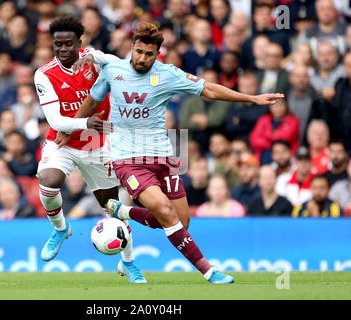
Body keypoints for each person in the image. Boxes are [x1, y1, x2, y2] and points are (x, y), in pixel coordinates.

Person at [68, 22, 283, 284]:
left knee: (180, 222)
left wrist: (252, 98)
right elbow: (92, 99)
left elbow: (210, 90)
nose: (142, 58)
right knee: (165, 213)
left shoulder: (168, 74)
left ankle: (122, 211)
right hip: (127, 160)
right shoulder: (113, 70)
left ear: (157, 53)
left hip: (163, 158)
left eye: (149, 54)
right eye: (138, 51)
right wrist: (70, 128)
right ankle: (208, 271)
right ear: (131, 48)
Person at [33, 15, 147, 283]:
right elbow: (55, 121)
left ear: (79, 43)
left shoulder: (94, 61)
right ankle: (61, 229)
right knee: (48, 181)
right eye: (57, 44)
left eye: (68, 44)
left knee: (113, 207)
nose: (62, 50)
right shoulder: (44, 74)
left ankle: (128, 263)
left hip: (98, 146)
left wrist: (98, 56)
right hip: (63, 143)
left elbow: (122, 67)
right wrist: (87, 121)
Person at [249, 98, 300, 165]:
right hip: (263, 158)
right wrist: (272, 144)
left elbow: (285, 137)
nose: (277, 108)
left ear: (286, 106)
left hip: (286, 160)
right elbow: (254, 140)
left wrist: (266, 136)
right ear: (269, 106)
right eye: (274, 105)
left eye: (280, 104)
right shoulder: (263, 120)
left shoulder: (294, 120)